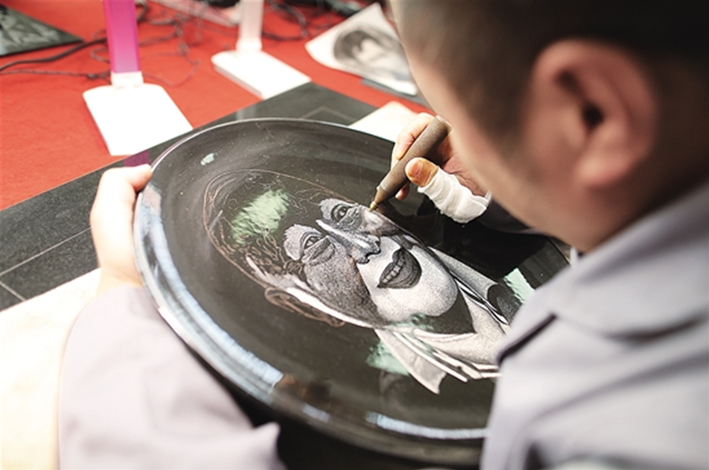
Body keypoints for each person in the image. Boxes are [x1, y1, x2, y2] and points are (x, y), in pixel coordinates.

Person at [59, 1, 709, 469]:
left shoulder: (625, 433)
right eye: (318, 248)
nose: (368, 243)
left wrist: (120, 302)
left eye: (455, 113)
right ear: (290, 294)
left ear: (593, 114)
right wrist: (528, 182)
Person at [203, 169, 522, 394]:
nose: (366, 245)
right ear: (303, 303)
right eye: (315, 248)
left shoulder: (502, 231)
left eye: (342, 214)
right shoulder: (414, 400)